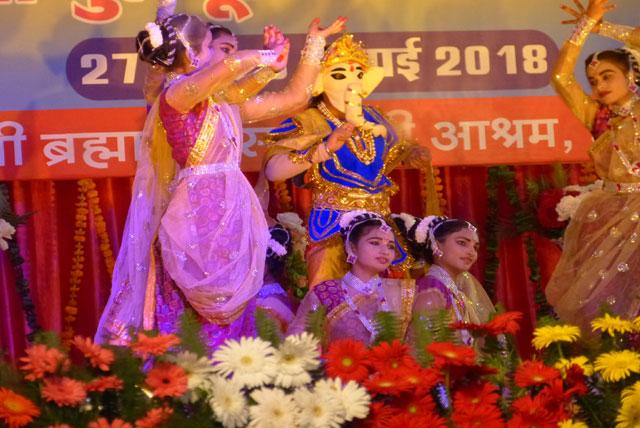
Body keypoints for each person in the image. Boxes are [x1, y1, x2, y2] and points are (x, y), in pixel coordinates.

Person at [95, 9, 346, 348]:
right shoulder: (176, 95)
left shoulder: (226, 104)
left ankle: (235, 377)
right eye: (220, 47)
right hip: (196, 218)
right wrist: (265, 58)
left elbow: (294, 99)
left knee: (237, 309)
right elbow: (233, 68)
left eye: (230, 48)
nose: (228, 55)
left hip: (233, 215)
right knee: (192, 313)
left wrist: (313, 45)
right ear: (197, 54)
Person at [263, 33, 432, 288]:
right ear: (319, 80)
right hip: (332, 227)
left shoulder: (376, 117)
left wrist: (411, 154)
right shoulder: (309, 121)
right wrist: (323, 149)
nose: (352, 83)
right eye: (340, 74)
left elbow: (392, 153)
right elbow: (274, 171)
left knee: (391, 308)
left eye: (359, 74)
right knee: (331, 299)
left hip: (379, 227)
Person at [545, 0, 640, 332]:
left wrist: (601, 26)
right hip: (610, 217)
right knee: (608, 308)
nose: (598, 86)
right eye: (592, 79)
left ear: (632, 75)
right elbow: (559, 75)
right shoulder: (597, 116)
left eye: (607, 75)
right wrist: (583, 26)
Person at [287, 210, 416, 346]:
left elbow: (417, 349)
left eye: (390, 246)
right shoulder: (326, 292)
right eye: (375, 243)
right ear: (352, 247)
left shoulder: (404, 292)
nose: (385, 251)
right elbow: (298, 347)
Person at [393, 213, 495, 345]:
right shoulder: (431, 291)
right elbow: (422, 354)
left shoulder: (452, 291)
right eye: (462, 243)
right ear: (437, 245)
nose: (471, 252)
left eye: (475, 247)